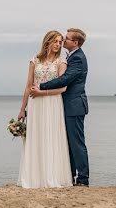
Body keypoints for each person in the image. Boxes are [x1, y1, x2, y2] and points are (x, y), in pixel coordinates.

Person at [31, 28, 89, 186]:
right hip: (67, 105)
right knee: (68, 143)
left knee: (76, 143)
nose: (63, 40)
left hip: (74, 106)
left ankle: (83, 179)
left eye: (67, 38)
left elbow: (65, 79)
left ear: (75, 43)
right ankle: (69, 176)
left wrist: (41, 86)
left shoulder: (77, 59)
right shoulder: (72, 56)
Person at [17, 30, 73, 188]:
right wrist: (22, 109)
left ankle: (51, 177)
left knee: (51, 137)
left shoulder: (61, 62)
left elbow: (63, 88)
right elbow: (28, 86)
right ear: (47, 41)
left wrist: (42, 92)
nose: (58, 45)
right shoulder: (34, 60)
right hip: (35, 105)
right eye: (55, 41)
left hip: (52, 103)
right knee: (36, 138)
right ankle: (34, 178)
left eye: (60, 42)